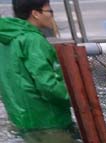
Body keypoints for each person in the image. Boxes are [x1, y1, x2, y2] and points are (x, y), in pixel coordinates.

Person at [0, 0, 71, 133]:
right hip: (49, 121)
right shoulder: (33, 40)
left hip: (22, 121)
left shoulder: (6, 39)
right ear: (35, 14)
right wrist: (75, 98)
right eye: (49, 11)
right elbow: (47, 85)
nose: (52, 15)